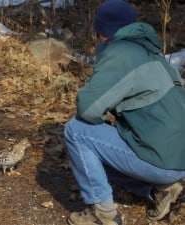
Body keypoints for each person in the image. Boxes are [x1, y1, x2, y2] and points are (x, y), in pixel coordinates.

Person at [64, 0, 185, 224]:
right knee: (93, 158)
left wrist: (100, 119)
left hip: (160, 160)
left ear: (102, 31)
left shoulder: (120, 53)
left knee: (77, 132)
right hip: (178, 160)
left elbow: (88, 109)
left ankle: (103, 214)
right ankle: (159, 188)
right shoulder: (152, 53)